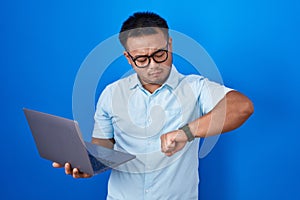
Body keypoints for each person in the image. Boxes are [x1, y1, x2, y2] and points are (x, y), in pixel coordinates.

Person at [53, 12, 254, 199]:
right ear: (128, 59)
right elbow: (103, 147)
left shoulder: (195, 87)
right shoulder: (111, 93)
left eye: (159, 54)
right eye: (141, 58)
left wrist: (186, 132)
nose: (153, 65)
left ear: (170, 45)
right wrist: (88, 165)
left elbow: (241, 107)